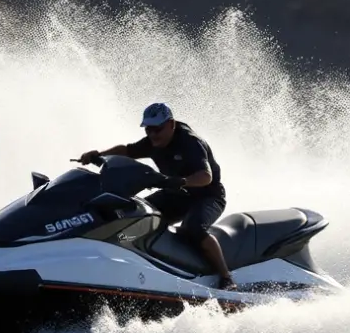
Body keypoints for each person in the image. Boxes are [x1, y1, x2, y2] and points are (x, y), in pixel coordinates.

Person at [77, 103, 235, 290]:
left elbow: (206, 177)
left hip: (208, 196)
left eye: (157, 129)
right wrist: (99, 155)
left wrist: (181, 181)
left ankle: (226, 278)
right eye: (148, 130)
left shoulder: (190, 142)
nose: (152, 134)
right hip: (178, 194)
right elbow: (127, 150)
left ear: (171, 124)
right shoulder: (153, 142)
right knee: (136, 214)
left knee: (193, 228)